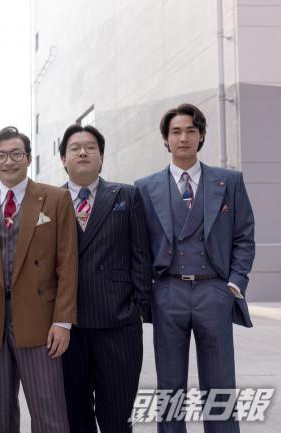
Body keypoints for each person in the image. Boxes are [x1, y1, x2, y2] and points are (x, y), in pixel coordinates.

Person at [135, 103, 255, 433]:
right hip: (168, 291)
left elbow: (244, 235)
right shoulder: (145, 187)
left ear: (201, 136)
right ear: (166, 139)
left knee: (220, 384)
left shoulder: (229, 181)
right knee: (169, 385)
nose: (183, 137)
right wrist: (149, 292)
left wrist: (235, 283)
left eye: (191, 130)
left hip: (214, 289)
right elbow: (138, 246)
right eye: (176, 132)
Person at [0, 126, 78, 433]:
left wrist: (63, 322)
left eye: (16, 154)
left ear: (29, 158)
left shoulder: (56, 198)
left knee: (49, 413)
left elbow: (67, 264)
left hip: (41, 320)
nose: (9, 161)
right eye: (1, 156)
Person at [59, 124, 151, 433]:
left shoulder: (126, 195)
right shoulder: (50, 200)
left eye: (91, 147)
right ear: (63, 159)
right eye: (75, 148)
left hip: (118, 323)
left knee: (117, 415)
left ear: (101, 156)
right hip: (68, 326)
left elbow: (141, 255)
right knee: (75, 415)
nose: (83, 152)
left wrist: (138, 307)